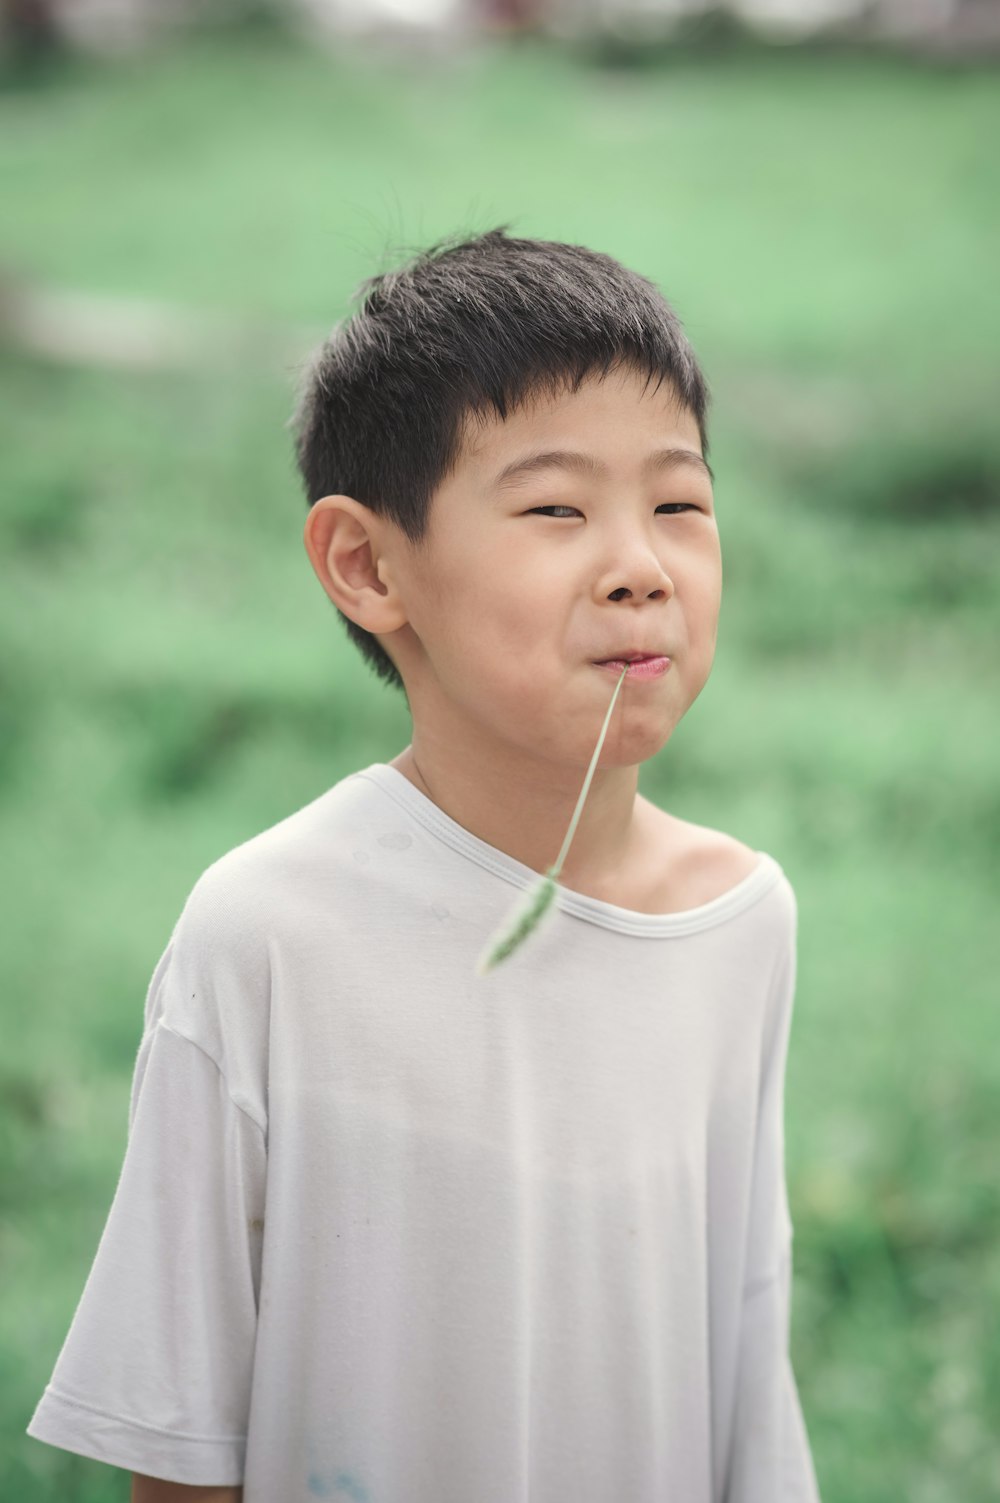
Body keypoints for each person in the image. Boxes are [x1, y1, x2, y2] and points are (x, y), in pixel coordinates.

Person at [26, 225, 822, 1502]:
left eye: (679, 505)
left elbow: (743, 1360)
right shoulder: (270, 932)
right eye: (556, 509)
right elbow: (178, 1442)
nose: (639, 569)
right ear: (367, 565)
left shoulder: (738, 921)